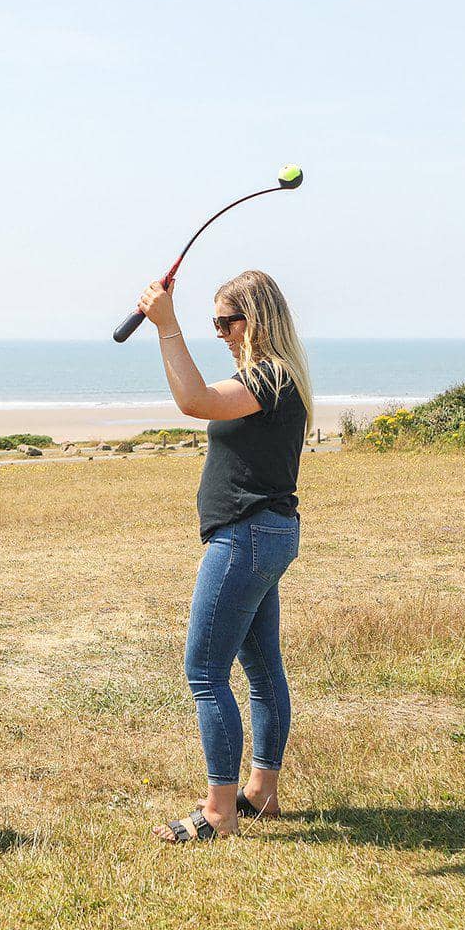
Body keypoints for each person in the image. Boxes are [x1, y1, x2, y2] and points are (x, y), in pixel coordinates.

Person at [137, 270, 313, 844]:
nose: (219, 333)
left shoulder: (269, 377)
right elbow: (204, 400)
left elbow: (195, 401)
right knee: (262, 670)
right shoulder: (274, 378)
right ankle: (260, 793)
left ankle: (219, 811)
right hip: (265, 533)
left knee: (205, 671)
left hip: (247, 537)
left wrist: (167, 326)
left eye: (224, 321)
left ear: (255, 318)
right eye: (212, 322)